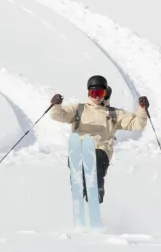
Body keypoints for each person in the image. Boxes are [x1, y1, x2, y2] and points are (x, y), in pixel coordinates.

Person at [48, 75, 149, 204]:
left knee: (95, 158)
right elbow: (57, 115)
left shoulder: (113, 113)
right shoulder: (79, 109)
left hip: (101, 149)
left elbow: (137, 123)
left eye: (100, 93)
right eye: (94, 92)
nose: (97, 96)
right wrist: (56, 105)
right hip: (80, 148)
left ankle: (96, 189)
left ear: (106, 93)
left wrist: (142, 109)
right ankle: (78, 185)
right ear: (88, 92)